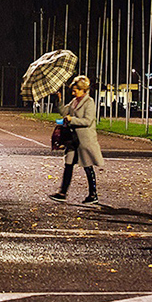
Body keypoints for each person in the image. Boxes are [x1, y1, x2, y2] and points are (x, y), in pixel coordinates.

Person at [49, 74, 103, 205]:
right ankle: (62, 192)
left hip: (84, 140)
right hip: (73, 140)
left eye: (76, 90)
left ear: (83, 90)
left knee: (87, 166)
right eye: (73, 90)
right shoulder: (74, 101)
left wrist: (72, 119)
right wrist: (59, 100)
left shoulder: (89, 102)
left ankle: (93, 194)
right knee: (68, 164)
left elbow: (87, 121)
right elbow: (64, 112)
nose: (73, 93)